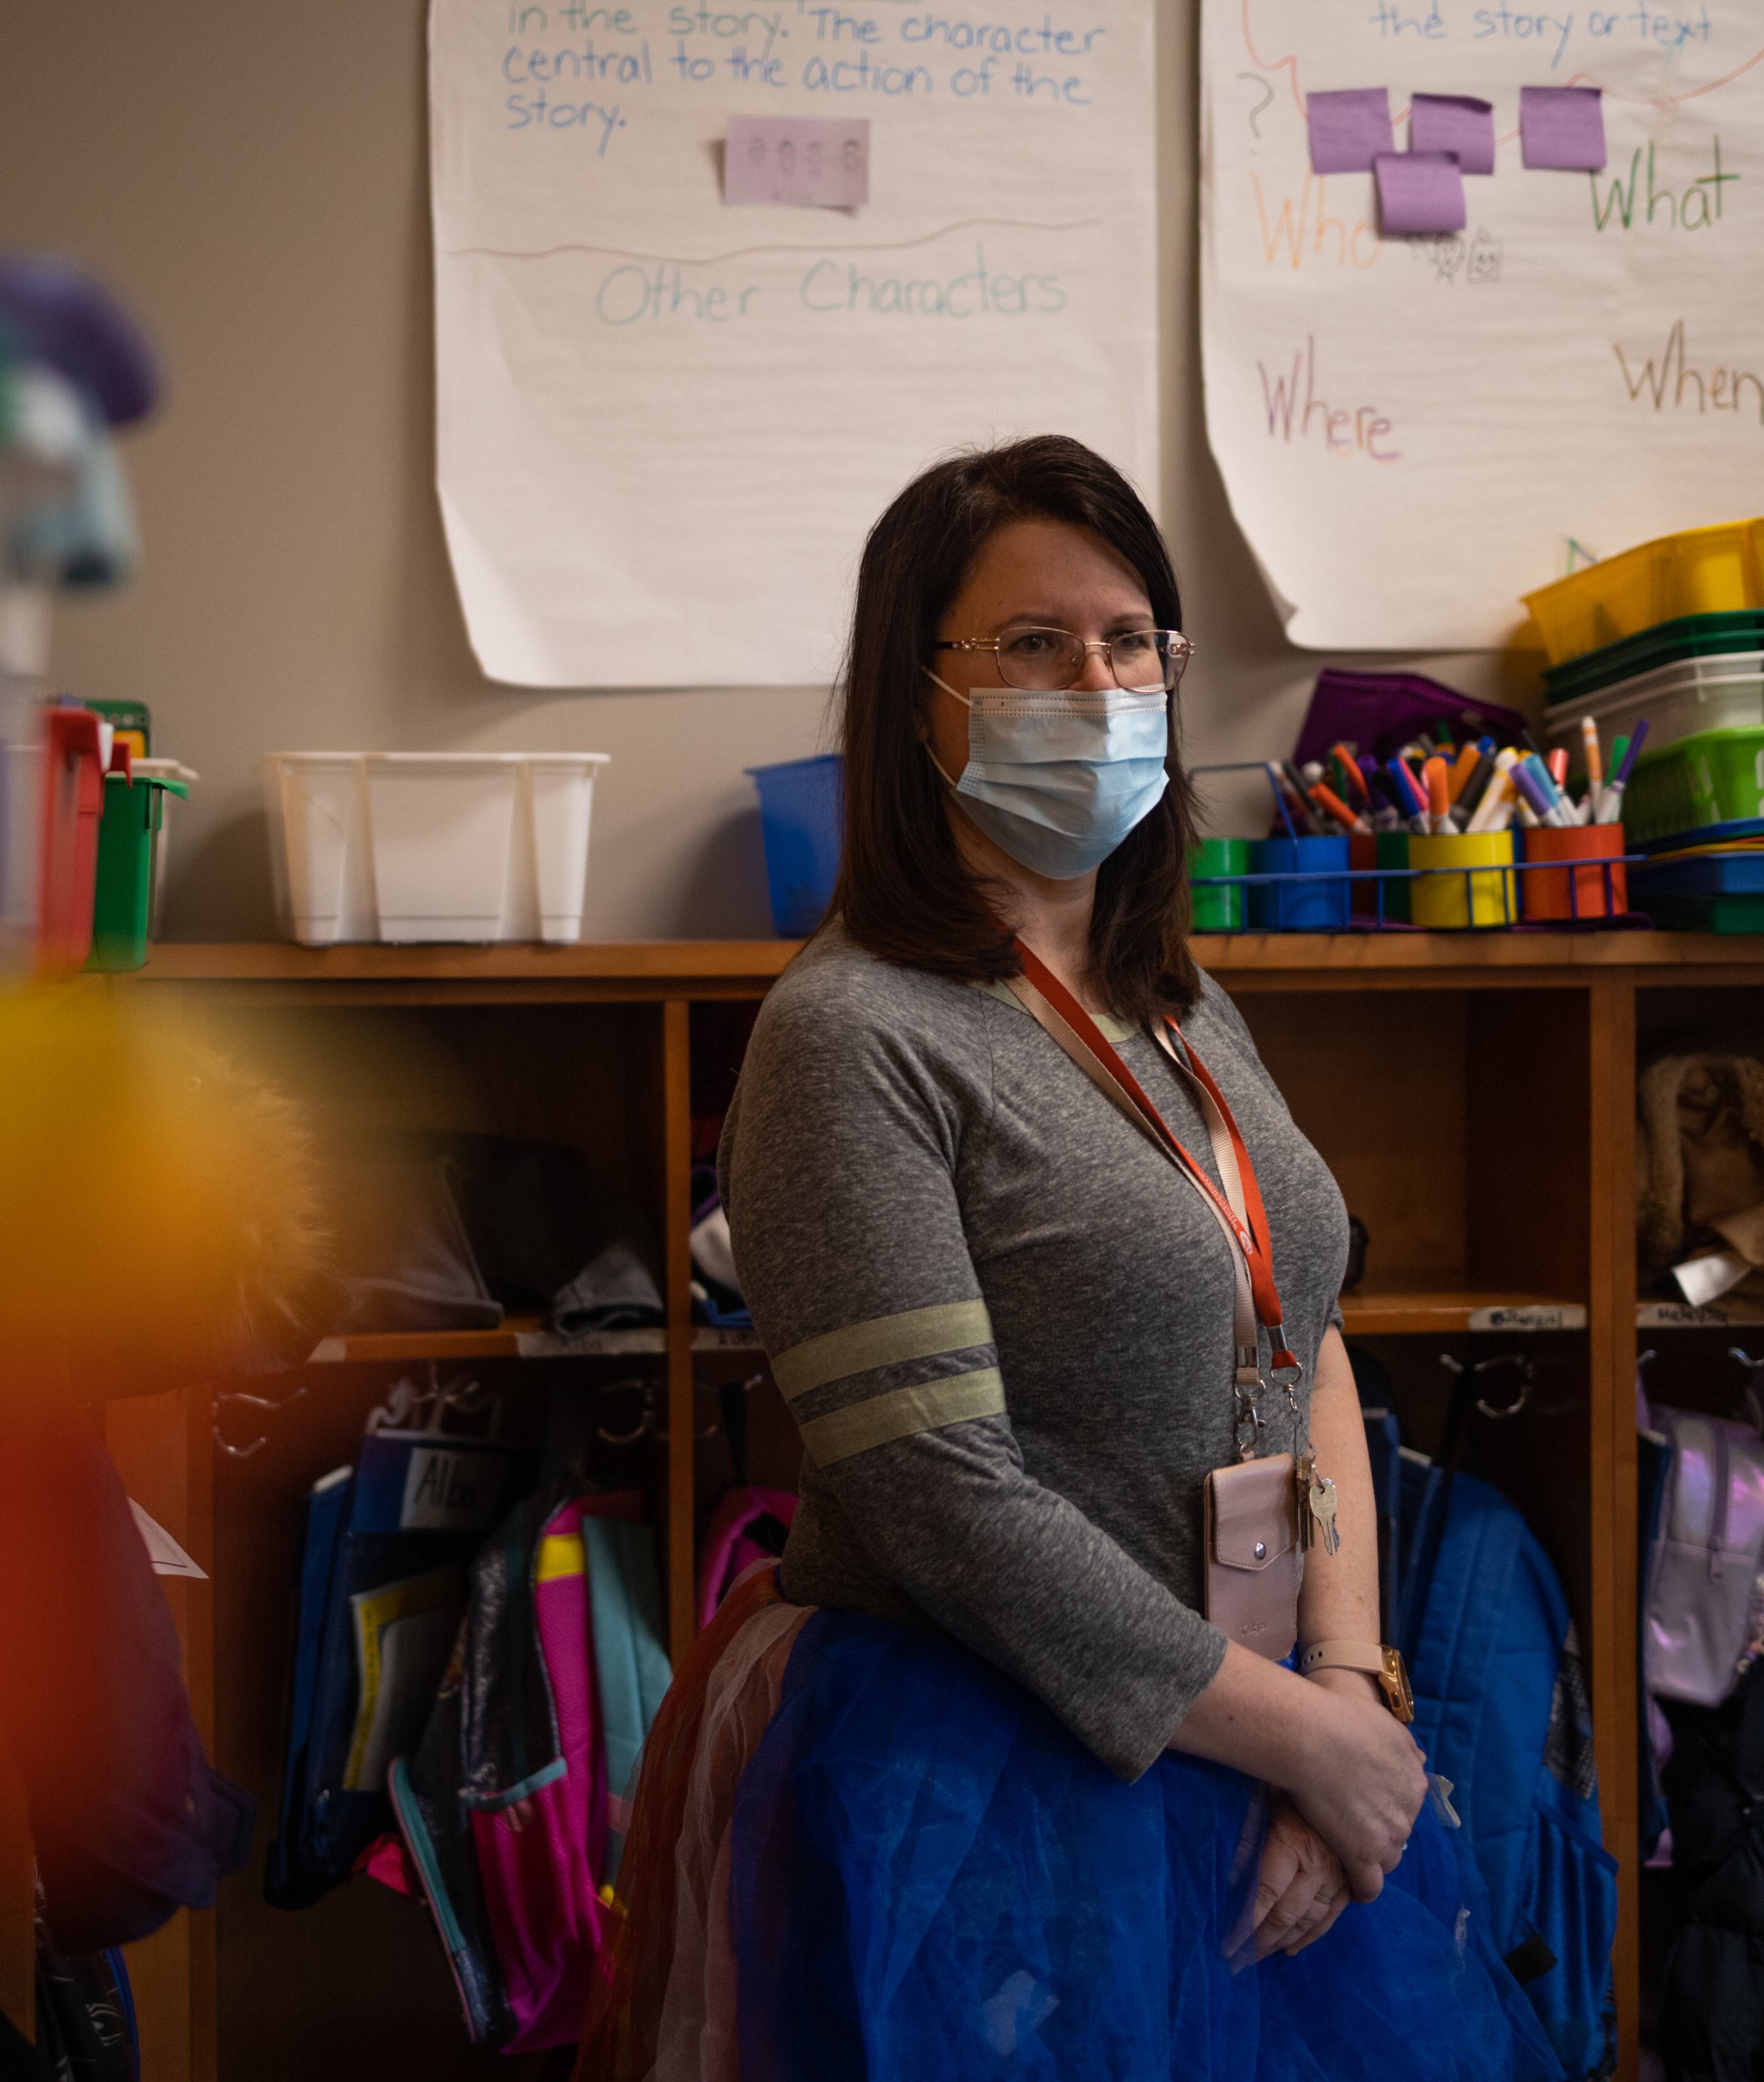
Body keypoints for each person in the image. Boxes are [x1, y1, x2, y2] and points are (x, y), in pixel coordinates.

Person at [573, 437, 1558, 2082]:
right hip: (990, 1769)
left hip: (1248, 1723)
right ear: (914, 697)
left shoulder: (1170, 991)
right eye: (1031, 644)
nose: (1094, 681)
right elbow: (946, 1503)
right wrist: (1309, 1740)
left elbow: (1295, 1339)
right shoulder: (847, 1033)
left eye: (1129, 640)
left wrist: (1341, 1673)